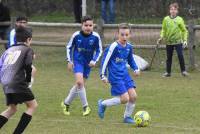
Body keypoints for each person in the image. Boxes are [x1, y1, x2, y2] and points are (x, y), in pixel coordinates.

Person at [98, 23, 140, 124]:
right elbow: (104, 61)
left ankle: (127, 117)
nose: (124, 37)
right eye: (122, 34)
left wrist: (136, 68)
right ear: (118, 34)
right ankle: (103, 104)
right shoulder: (113, 47)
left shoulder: (129, 47)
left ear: (130, 35)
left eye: (126, 34)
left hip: (125, 75)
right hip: (115, 76)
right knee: (125, 98)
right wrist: (103, 75)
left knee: (133, 96)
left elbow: (130, 60)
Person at [61, 15, 102, 116]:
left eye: (90, 25)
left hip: (88, 64)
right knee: (79, 83)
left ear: (93, 26)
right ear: (81, 26)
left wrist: (94, 60)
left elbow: (99, 50)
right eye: (86, 25)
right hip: (78, 62)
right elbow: (69, 47)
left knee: (79, 85)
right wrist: (69, 61)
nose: (88, 27)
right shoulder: (76, 35)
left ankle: (66, 103)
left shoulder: (96, 37)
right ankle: (86, 107)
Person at [0, 26, 38, 134]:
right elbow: (28, 65)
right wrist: (28, 80)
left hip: (6, 83)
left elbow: (1, 66)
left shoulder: (8, 50)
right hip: (18, 83)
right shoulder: (27, 49)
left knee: (12, 109)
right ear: (28, 39)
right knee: (32, 106)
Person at [157, 2, 189, 77]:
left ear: (177, 11)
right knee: (169, 58)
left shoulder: (180, 19)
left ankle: (183, 71)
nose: (173, 11)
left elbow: (184, 30)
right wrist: (161, 37)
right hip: (169, 42)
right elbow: (163, 29)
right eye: (171, 9)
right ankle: (168, 72)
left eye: (174, 9)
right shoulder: (166, 19)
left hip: (178, 41)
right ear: (169, 10)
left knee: (180, 55)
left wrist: (185, 40)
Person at [8, 16, 36, 87]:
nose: (22, 24)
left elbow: (27, 45)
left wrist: (31, 53)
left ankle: (26, 89)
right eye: (20, 22)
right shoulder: (13, 32)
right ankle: (25, 89)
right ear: (16, 23)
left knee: (32, 70)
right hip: (13, 55)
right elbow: (12, 45)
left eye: (24, 22)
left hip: (22, 55)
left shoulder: (27, 32)